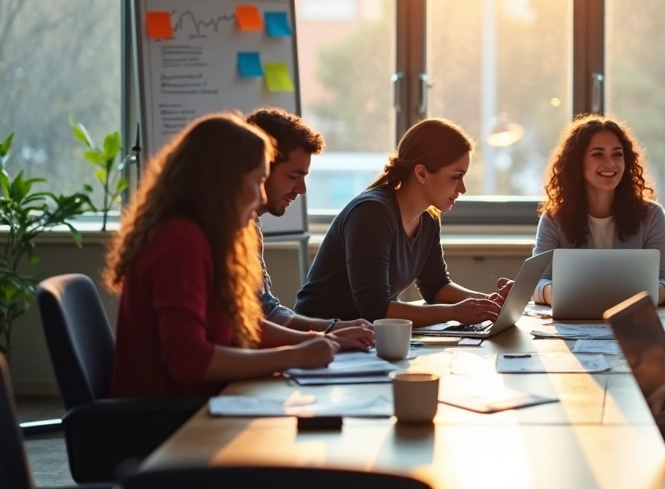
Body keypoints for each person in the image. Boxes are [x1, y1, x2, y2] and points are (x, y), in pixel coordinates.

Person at [108, 114, 338, 398]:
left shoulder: (207, 235)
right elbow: (188, 361)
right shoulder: (180, 240)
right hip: (169, 421)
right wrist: (293, 356)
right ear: (223, 182)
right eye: (257, 182)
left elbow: (239, 326)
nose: (261, 198)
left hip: (204, 404)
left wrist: (317, 340)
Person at [294, 118, 510, 323]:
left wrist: (489, 302)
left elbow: (436, 287)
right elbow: (376, 310)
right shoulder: (372, 213)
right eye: (456, 177)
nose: (463, 188)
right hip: (324, 338)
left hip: (365, 339)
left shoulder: (428, 218)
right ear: (422, 173)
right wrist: (454, 313)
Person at [245, 108, 372, 346]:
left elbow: (266, 311)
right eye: (294, 176)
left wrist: (333, 328)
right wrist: (321, 339)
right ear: (261, 169)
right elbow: (244, 327)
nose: (302, 189)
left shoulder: (249, 225)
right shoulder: (209, 232)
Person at [531, 115, 665, 305]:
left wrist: (633, 300)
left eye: (617, 154)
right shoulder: (553, 218)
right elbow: (536, 282)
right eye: (598, 154)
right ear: (578, 162)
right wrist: (563, 296)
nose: (610, 163)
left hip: (634, 320)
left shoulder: (652, 215)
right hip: (574, 322)